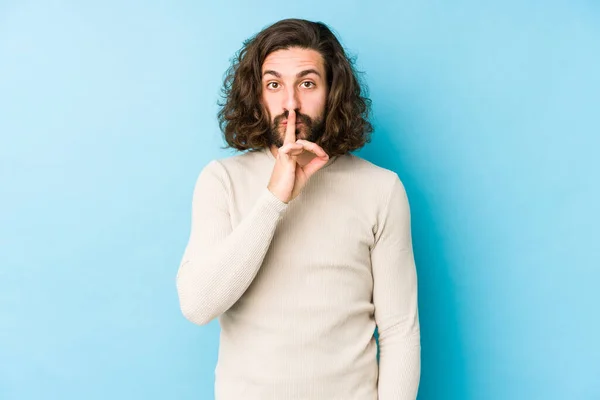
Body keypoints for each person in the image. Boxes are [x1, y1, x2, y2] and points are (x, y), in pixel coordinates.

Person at [176, 18, 421, 400]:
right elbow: (197, 305)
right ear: (256, 95)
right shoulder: (221, 181)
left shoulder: (380, 188)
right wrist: (274, 198)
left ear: (331, 91)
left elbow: (400, 330)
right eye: (274, 85)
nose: (290, 103)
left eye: (307, 84)